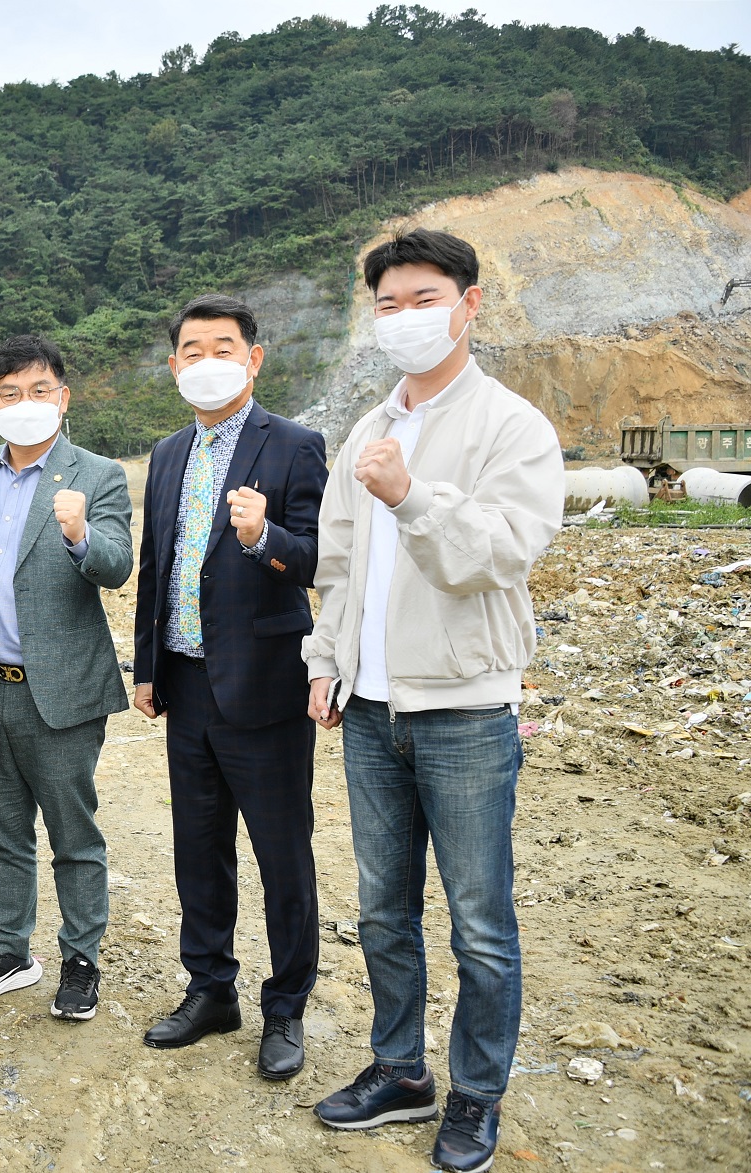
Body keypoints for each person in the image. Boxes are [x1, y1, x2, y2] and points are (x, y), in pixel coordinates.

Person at [302, 229, 563, 1173]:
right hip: (369, 714)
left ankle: (477, 1094)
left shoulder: (510, 427)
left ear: (470, 303)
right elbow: (338, 565)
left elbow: (500, 554)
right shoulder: (369, 430)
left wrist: (412, 498)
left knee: (481, 921)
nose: (405, 316)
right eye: (388, 302)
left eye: (424, 297)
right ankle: (400, 1068)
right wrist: (325, 662)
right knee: (383, 909)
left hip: (462, 711)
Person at [130, 294, 328, 1079]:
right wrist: (147, 667)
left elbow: (316, 557)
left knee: (283, 855)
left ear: (254, 357)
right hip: (187, 680)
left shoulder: (295, 446)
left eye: (223, 346)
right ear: (175, 363)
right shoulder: (170, 452)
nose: (206, 360)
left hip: (266, 687)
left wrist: (264, 537)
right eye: (191, 348)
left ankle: (285, 1008)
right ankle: (211, 987)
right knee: (198, 849)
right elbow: (159, 562)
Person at [0, 334, 132, 1020]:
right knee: (1, 827)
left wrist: (81, 533)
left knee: (73, 832)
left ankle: (81, 957)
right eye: (9, 394)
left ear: (63, 396)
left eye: (39, 390)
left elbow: (117, 565)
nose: (25, 404)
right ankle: (8, 947)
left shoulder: (98, 473)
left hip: (58, 688)